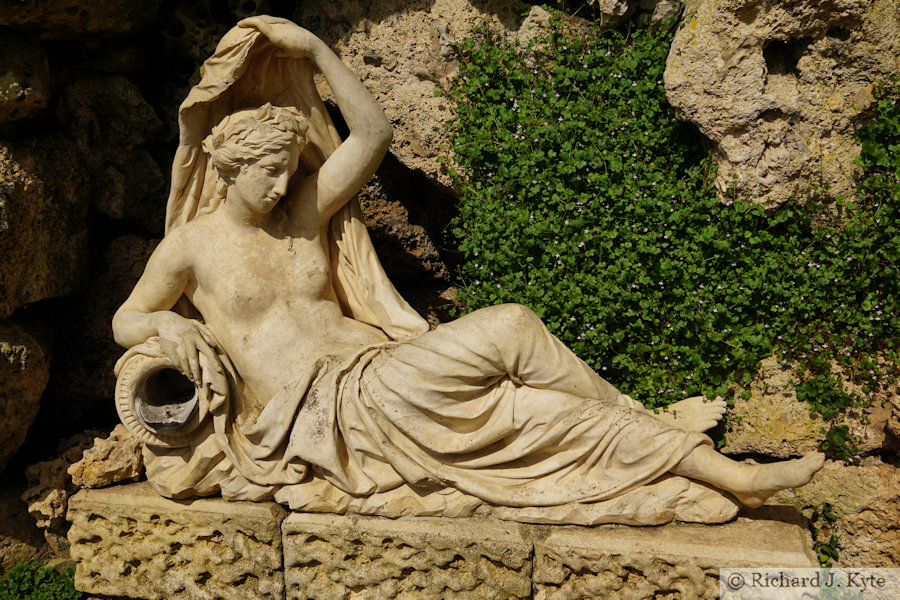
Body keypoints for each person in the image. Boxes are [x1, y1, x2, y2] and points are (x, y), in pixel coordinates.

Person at [112, 17, 823, 520]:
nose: (277, 187)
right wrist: (172, 334)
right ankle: (686, 447)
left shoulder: (300, 214)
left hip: (381, 374)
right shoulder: (192, 247)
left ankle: (726, 475)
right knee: (514, 339)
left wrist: (319, 52)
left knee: (543, 415)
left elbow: (373, 135)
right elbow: (128, 318)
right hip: (327, 413)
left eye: (285, 171)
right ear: (225, 168)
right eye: (262, 175)